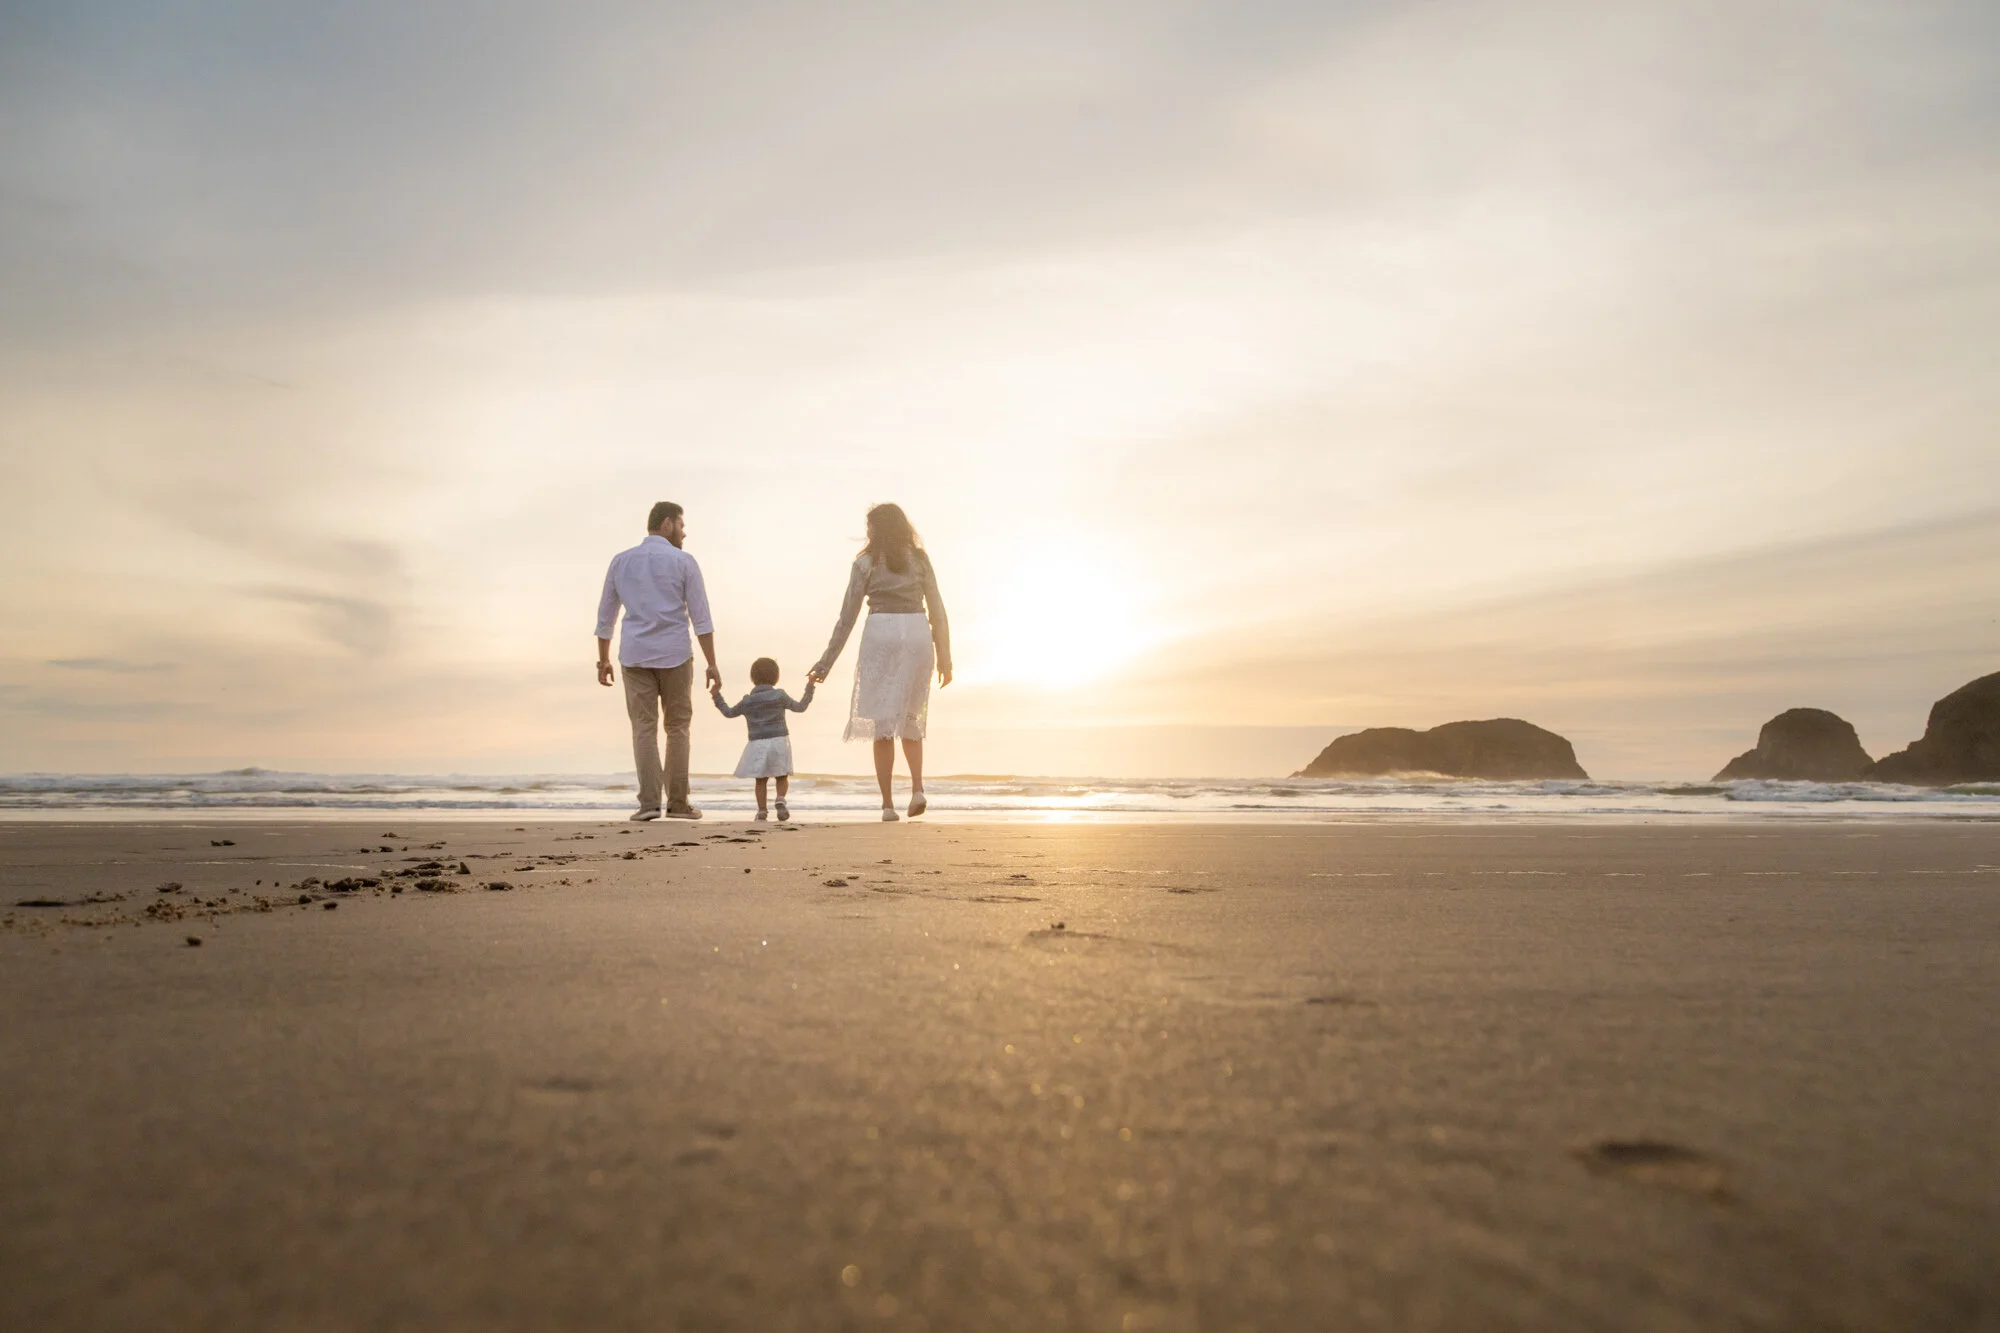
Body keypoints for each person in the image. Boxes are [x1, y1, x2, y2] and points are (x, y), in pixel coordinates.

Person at [807, 503, 951, 821]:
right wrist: (946, 658)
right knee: (911, 718)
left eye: (869, 526)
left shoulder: (865, 563)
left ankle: (887, 806)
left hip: (881, 631)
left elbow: (847, 618)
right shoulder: (920, 559)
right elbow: (938, 609)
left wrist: (824, 663)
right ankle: (917, 789)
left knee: (882, 725)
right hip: (916, 631)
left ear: (876, 530)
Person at [596, 501, 721, 821]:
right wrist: (712, 663)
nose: (684, 531)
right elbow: (701, 618)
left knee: (643, 728)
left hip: (635, 655)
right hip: (676, 655)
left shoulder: (621, 561)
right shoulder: (684, 561)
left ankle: (649, 804)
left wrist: (603, 660)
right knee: (678, 727)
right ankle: (678, 804)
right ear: (667, 524)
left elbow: (606, 616)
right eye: (681, 524)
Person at [711, 658, 816, 821]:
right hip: (779, 740)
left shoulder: (748, 701)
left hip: (757, 743)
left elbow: (729, 712)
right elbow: (801, 707)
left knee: (760, 780)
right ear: (776, 677)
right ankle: (780, 799)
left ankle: (762, 811)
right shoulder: (779, 695)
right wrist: (810, 686)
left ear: (753, 678)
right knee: (782, 776)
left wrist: (716, 695)